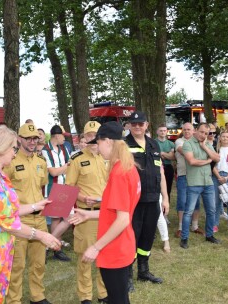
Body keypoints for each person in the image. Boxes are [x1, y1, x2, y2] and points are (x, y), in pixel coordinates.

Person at [0, 126, 60, 304]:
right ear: (2, 148)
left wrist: (35, 206)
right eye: (14, 148)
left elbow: (7, 210)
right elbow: (9, 223)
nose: (15, 153)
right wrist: (41, 235)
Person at [69, 121, 140, 304]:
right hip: (122, 243)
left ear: (108, 141)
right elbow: (116, 213)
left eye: (98, 143)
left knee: (117, 300)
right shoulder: (128, 167)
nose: (97, 149)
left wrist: (96, 247)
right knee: (120, 298)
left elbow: (122, 219)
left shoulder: (119, 172)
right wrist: (88, 214)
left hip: (114, 247)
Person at [4, 123, 54, 304]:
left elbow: (40, 186)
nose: (32, 142)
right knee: (17, 264)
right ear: (19, 139)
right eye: (28, 138)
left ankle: (37, 296)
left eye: (35, 138)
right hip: (19, 219)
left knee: (39, 262)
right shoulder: (10, 161)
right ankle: (14, 300)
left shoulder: (41, 162)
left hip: (40, 218)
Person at [65, 121, 109, 303]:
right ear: (84, 137)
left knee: (104, 255)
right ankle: (85, 296)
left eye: (96, 134)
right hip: (85, 214)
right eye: (89, 135)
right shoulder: (76, 159)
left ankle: (103, 293)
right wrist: (82, 198)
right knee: (85, 257)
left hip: (106, 214)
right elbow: (69, 187)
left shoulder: (107, 158)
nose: (93, 138)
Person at [125, 111, 168, 285]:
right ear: (129, 125)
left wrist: (165, 198)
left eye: (140, 124)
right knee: (131, 238)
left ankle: (143, 271)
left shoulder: (154, 144)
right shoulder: (123, 145)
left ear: (146, 125)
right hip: (133, 201)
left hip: (152, 199)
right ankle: (127, 276)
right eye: (133, 124)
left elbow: (161, 173)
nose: (137, 127)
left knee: (148, 236)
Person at [181, 123, 221, 249]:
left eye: (206, 133)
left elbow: (217, 158)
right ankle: (184, 238)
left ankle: (209, 235)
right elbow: (192, 161)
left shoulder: (207, 144)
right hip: (194, 183)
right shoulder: (187, 144)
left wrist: (205, 147)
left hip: (208, 182)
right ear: (196, 130)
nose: (203, 135)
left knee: (211, 211)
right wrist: (208, 161)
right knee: (188, 212)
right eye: (201, 132)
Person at [41, 124, 72, 262]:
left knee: (68, 218)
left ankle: (49, 245)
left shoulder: (63, 148)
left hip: (64, 186)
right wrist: (66, 166)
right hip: (52, 188)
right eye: (62, 137)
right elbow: (53, 172)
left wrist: (62, 168)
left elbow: (61, 169)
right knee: (57, 219)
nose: (64, 140)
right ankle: (55, 247)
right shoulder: (45, 150)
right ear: (56, 136)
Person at [174, 123, 203, 238]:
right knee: (182, 201)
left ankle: (194, 226)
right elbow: (184, 151)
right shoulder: (179, 141)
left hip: (196, 175)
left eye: (189, 129)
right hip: (183, 175)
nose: (186, 131)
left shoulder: (197, 141)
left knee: (196, 202)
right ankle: (181, 228)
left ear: (194, 130)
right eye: (184, 129)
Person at [155, 124, 175, 252]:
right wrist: (164, 154)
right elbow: (161, 156)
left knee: (166, 191)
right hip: (157, 169)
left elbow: (172, 157)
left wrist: (163, 154)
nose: (163, 132)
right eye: (160, 130)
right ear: (157, 132)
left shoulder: (170, 143)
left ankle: (165, 212)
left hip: (167, 168)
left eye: (164, 130)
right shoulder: (153, 142)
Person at [212, 130, 228, 231]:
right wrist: (218, 177)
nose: (225, 138)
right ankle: (214, 224)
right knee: (216, 201)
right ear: (220, 138)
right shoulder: (216, 150)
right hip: (216, 175)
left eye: (227, 137)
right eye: (223, 136)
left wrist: (226, 178)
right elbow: (212, 166)